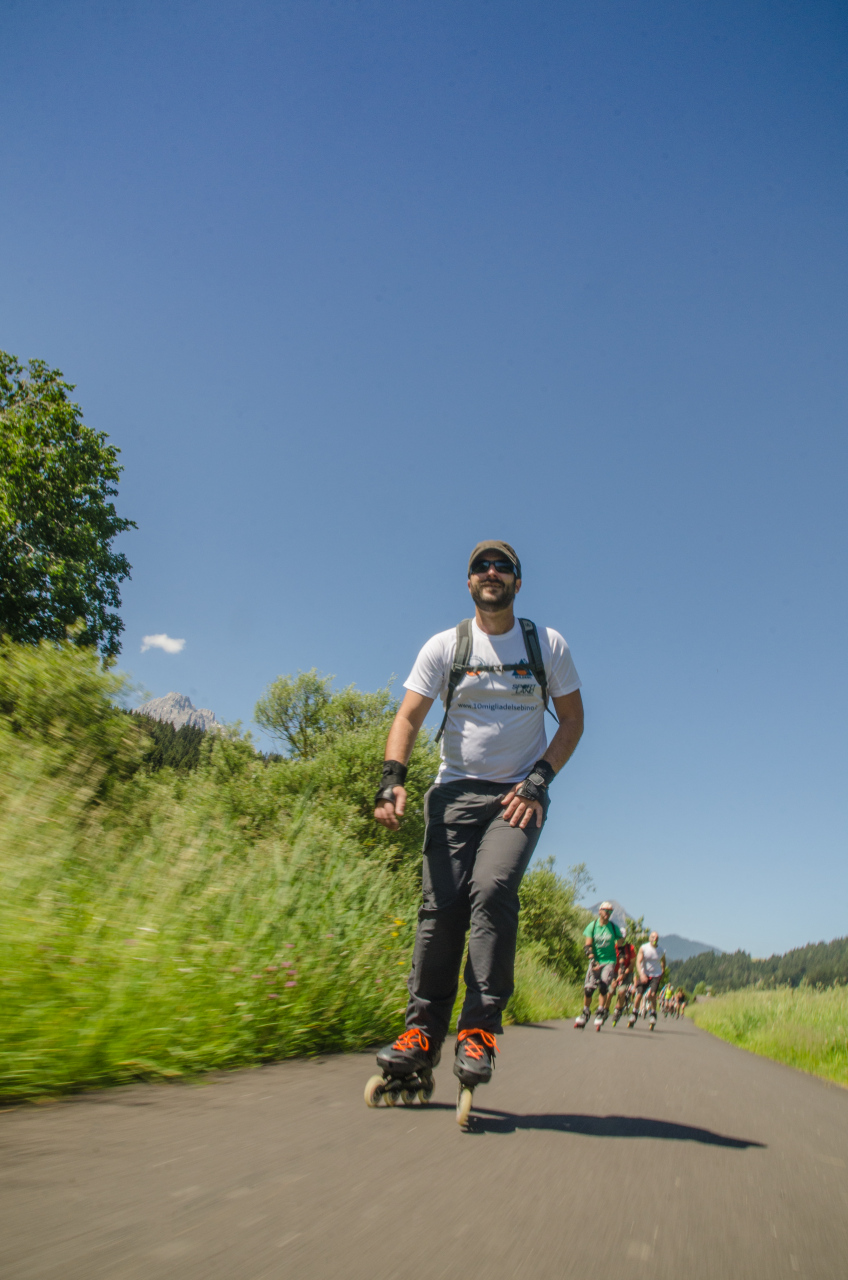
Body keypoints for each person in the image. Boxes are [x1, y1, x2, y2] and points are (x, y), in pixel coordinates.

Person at [371, 541, 584, 1109]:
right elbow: (408, 716)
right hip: (454, 795)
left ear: (518, 582)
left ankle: (478, 1032)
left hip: (518, 796)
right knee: (440, 909)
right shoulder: (446, 646)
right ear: (469, 582)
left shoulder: (547, 645)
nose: (492, 573)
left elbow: (573, 721)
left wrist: (538, 780)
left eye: (503, 567)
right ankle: (421, 1036)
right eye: (481, 567)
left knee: (491, 890)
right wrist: (392, 777)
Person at [575, 902, 622, 1029]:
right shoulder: (592, 926)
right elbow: (587, 946)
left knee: (603, 986)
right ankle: (585, 1012)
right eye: (606, 910)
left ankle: (600, 1011)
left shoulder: (613, 928)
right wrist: (592, 960)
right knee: (588, 989)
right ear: (600, 911)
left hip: (609, 961)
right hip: (595, 960)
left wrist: (622, 963)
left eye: (610, 911)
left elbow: (621, 946)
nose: (608, 913)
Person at [630, 931, 666, 1029]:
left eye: (656, 938)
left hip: (656, 975)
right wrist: (641, 974)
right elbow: (638, 962)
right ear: (649, 938)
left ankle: (653, 1014)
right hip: (644, 974)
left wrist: (662, 970)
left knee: (652, 995)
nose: (654, 939)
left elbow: (663, 961)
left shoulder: (661, 950)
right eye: (653, 937)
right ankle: (634, 1013)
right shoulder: (644, 948)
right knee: (639, 995)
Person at [610, 932, 636, 1026]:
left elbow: (632, 964)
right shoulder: (612, 948)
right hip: (613, 971)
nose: (620, 939)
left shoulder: (630, 948)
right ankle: (604, 1010)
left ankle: (618, 1010)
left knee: (622, 992)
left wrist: (624, 974)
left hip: (627, 972)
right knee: (610, 991)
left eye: (622, 937)